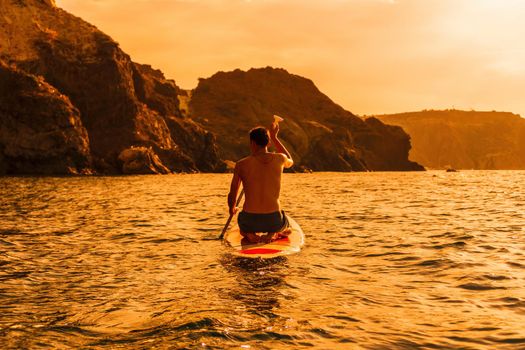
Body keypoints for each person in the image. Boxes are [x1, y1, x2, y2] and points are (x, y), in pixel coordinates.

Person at [227, 118, 294, 243]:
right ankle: (272, 233)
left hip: (250, 220)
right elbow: (290, 160)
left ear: (252, 142)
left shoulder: (241, 164)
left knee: (243, 227)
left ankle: (249, 233)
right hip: (274, 219)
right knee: (286, 227)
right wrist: (274, 137)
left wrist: (232, 208)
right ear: (268, 143)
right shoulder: (280, 158)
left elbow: (233, 193)